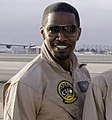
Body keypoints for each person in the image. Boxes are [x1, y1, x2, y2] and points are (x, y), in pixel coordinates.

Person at [3, 2, 90, 120]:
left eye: (69, 29)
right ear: (43, 33)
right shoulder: (26, 84)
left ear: (78, 33)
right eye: (53, 30)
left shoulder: (83, 74)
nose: (61, 37)